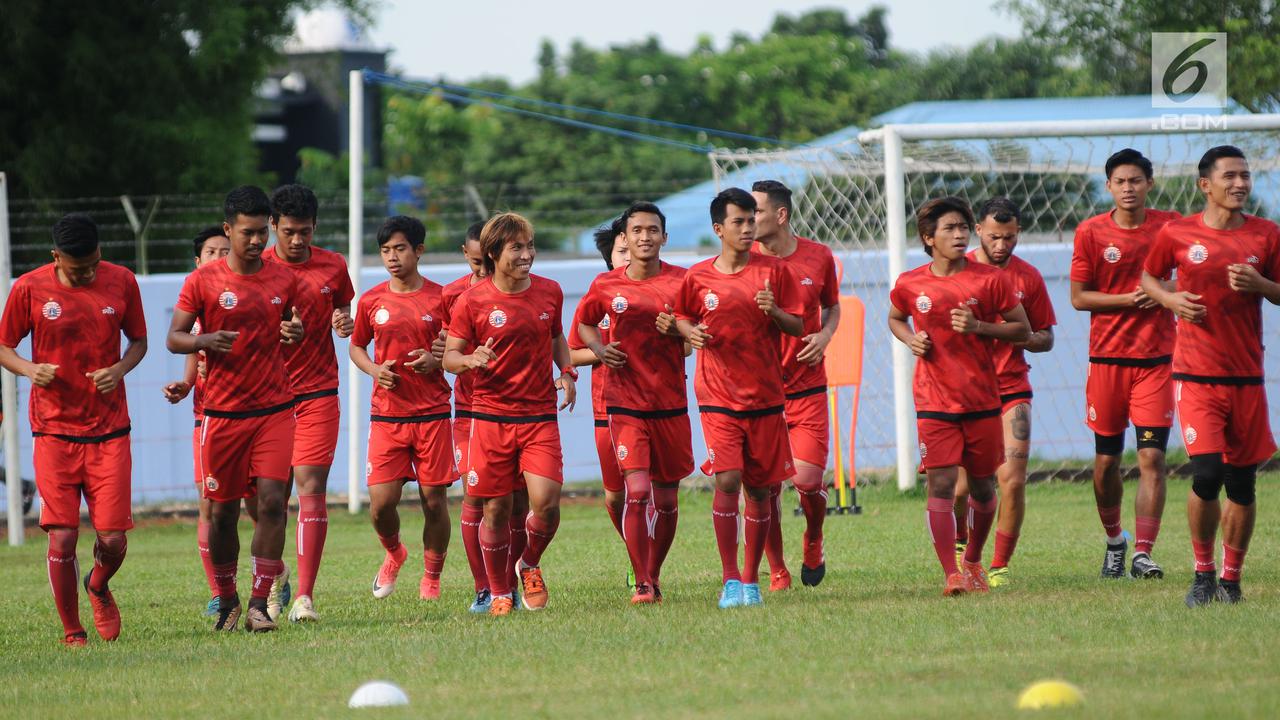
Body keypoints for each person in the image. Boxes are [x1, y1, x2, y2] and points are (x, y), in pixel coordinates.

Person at [1140, 145, 1280, 606]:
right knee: (1207, 473)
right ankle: (1202, 574)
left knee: (1241, 483)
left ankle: (1231, 581)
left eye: (1245, 176)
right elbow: (1149, 278)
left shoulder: (1267, 234)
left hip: (1247, 378)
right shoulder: (1177, 233)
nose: (1240, 184)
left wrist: (1261, 285)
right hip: (1196, 376)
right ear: (1205, 185)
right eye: (1230, 176)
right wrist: (1170, 300)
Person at [0, 213, 147, 645]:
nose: (87, 274)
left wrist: (118, 370)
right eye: (77, 268)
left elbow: (139, 341)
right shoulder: (29, 288)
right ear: (56, 257)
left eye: (93, 265)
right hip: (54, 432)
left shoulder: (122, 281)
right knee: (62, 537)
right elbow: (4, 346)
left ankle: (98, 585)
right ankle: (73, 631)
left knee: (113, 540)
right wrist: (29, 369)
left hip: (109, 431)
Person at [167, 185, 303, 632]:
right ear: (229, 229)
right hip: (223, 415)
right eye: (248, 232)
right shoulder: (202, 281)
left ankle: (260, 604)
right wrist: (206, 340)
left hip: (274, 410)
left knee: (273, 503)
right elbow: (174, 338)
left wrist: (295, 331)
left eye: (263, 232)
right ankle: (227, 600)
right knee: (222, 512)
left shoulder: (283, 278)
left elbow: (293, 324)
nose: (258, 240)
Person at [887, 196, 1029, 596]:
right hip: (933, 401)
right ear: (928, 237)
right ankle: (952, 573)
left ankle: (973, 562)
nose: (960, 234)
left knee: (983, 489)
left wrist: (980, 326)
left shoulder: (990, 280)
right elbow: (895, 317)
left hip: (982, 400)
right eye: (950, 228)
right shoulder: (910, 283)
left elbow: (1022, 329)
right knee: (942, 485)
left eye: (963, 227)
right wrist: (910, 339)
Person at [674, 187, 805, 609]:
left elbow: (798, 324)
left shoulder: (775, 272)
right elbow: (681, 316)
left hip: (765, 396)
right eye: (739, 221)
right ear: (719, 229)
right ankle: (730, 578)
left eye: (752, 220)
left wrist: (775, 312)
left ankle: (751, 581)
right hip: (717, 395)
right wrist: (690, 332)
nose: (748, 228)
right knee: (727, 478)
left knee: (761, 490)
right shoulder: (697, 277)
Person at [443, 212, 576, 616]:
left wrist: (567, 372)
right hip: (489, 419)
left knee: (546, 503)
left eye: (530, 245)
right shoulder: (471, 301)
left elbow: (557, 337)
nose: (527, 254)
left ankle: (529, 563)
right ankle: (500, 591)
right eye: (517, 247)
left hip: (539, 417)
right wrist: (469, 360)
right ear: (493, 253)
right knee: (496, 509)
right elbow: (449, 357)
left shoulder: (550, 291)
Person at [1070, 149, 1181, 580]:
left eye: (1136, 180)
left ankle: (1143, 553)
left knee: (1152, 457)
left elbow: (1192, 276)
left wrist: (1163, 291)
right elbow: (1079, 297)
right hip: (1107, 362)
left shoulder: (1171, 226)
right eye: (1121, 181)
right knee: (1106, 463)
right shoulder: (1091, 232)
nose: (1129, 188)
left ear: (1149, 184)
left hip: (1156, 361)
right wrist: (1130, 299)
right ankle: (1116, 540)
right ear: (1109, 187)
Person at [576, 202, 691, 604]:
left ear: (664, 237)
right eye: (637, 230)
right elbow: (584, 324)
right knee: (636, 491)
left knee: (667, 500)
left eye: (652, 230)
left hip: (670, 403)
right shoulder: (606, 285)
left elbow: (696, 337)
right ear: (624, 237)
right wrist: (599, 349)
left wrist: (678, 330)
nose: (645, 237)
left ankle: (653, 573)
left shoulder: (683, 282)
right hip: (624, 404)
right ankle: (641, 581)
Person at [952, 197, 1056, 588]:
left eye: (1009, 237)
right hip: (965, 393)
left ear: (1018, 233)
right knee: (960, 488)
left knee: (1011, 479)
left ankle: (998, 565)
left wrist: (1016, 335)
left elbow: (1046, 338)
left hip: (1011, 389)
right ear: (978, 230)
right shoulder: (957, 272)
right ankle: (961, 546)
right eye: (994, 237)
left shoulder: (1028, 277)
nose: (1001, 245)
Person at [263, 184, 355, 623]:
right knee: (269, 498)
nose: (298, 240)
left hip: (318, 391)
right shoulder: (257, 269)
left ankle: (304, 597)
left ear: (315, 226)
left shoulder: (333, 265)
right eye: (289, 232)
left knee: (311, 488)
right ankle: (275, 576)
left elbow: (343, 306)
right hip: (269, 398)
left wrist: (343, 320)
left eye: (305, 231)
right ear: (272, 226)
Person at [351, 216, 455, 602]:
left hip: (432, 414)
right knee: (381, 505)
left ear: (418, 250)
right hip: (387, 415)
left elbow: (456, 349)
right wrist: (375, 370)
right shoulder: (371, 300)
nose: (392, 257)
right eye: (385, 251)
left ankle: (432, 577)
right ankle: (395, 552)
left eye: (399, 249)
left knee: (434, 501)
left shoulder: (443, 299)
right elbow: (357, 346)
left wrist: (436, 359)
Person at [750, 179, 841, 590]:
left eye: (756, 212)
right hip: (761, 394)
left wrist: (825, 335)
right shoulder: (743, 261)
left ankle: (814, 537)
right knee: (763, 487)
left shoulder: (818, 256)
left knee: (807, 482)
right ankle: (777, 569)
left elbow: (832, 307)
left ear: (781, 215)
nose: (748, 221)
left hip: (807, 388)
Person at [161, 226, 241, 616]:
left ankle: (274, 573)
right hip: (207, 417)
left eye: (225, 251)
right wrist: (185, 384)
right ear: (198, 261)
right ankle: (219, 591)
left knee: (260, 505)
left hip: (252, 416)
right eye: (211, 252)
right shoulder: (195, 306)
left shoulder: (246, 296)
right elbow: (193, 357)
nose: (218, 258)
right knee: (209, 503)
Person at [442, 221, 504, 613]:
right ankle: (484, 588)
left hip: (513, 412)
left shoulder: (521, 290)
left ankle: (511, 578)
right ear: (466, 254)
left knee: (514, 503)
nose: (484, 271)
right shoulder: (453, 295)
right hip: (469, 410)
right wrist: (446, 354)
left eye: (489, 263)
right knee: (475, 495)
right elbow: (444, 349)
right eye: (477, 263)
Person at [567, 217, 631, 583]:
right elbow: (571, 352)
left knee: (648, 490)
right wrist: (602, 352)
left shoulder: (660, 289)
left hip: (653, 408)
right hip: (606, 409)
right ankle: (634, 547)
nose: (629, 256)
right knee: (615, 496)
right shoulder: (597, 297)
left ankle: (644, 562)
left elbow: (685, 347)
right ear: (610, 258)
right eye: (622, 251)